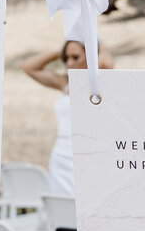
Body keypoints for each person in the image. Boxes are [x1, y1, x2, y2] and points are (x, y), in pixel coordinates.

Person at [22, 36, 115, 196]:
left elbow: (107, 61)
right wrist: (60, 51)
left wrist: (94, 47)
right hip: (61, 156)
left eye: (75, 57)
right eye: (67, 58)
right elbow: (28, 67)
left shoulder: (102, 81)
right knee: (62, 208)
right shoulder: (65, 81)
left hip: (89, 155)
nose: (70, 63)